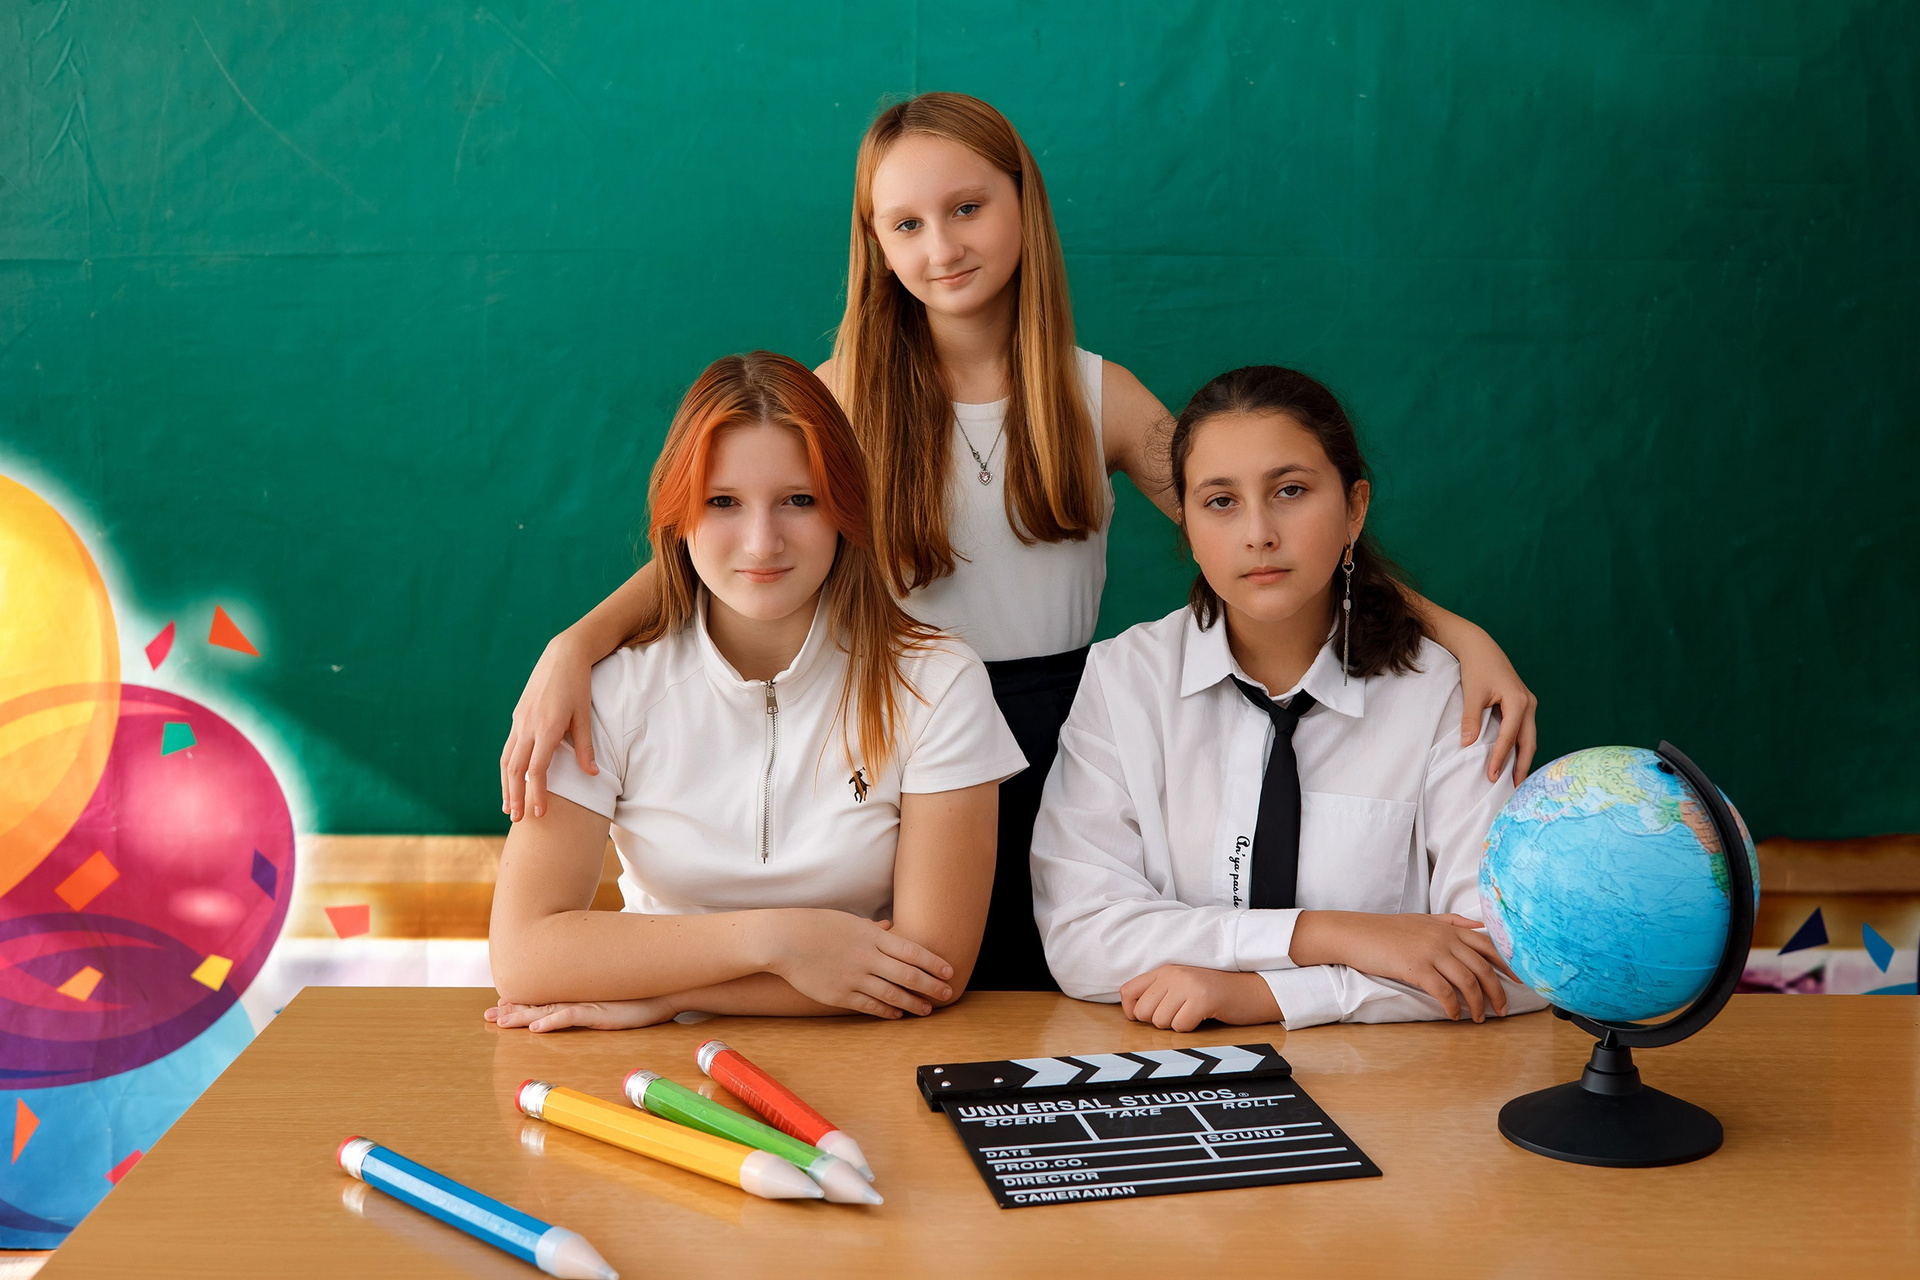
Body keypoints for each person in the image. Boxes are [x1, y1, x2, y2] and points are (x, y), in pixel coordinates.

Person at [499, 93, 1539, 992]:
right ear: (874, 242)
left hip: (1065, 734)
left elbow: (1257, 535)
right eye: (906, 224)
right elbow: (728, 545)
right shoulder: (839, 396)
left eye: (967, 208)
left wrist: (1456, 633)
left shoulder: (1098, 394)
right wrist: (575, 645)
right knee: (918, 990)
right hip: (900, 731)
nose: (941, 247)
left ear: (1023, 204)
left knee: (1051, 1003)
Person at [485, 352, 1026, 1032]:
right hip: (652, 1061)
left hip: (870, 1055)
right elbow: (525, 956)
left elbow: (931, 969)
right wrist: (777, 942)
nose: (763, 542)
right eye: (723, 503)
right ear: (679, 515)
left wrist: (669, 996)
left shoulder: (939, 683)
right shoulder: (604, 689)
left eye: (799, 500)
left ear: (844, 509)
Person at [1030, 365, 1547, 1031]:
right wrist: (1332, 935)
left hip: (1393, 1079)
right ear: (1185, 523)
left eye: (1291, 491)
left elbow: (1507, 965)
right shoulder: (1125, 680)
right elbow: (1082, 935)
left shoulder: (1444, 695)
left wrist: (1260, 997)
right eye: (1221, 502)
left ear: (1354, 508)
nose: (1258, 533)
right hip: (1179, 1072)